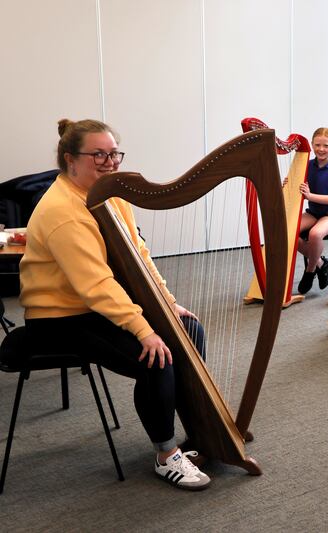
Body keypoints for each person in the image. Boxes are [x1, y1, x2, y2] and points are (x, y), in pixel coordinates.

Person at [19, 119, 211, 490]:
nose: (109, 162)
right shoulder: (62, 210)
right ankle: (166, 455)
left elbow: (139, 255)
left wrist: (169, 304)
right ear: (70, 159)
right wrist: (144, 329)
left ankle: (199, 431)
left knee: (189, 330)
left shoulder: (111, 194)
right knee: (156, 356)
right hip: (58, 316)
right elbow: (97, 285)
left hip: (94, 306)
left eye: (114, 153)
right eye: (98, 155)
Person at [295, 127, 328, 295]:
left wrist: (309, 196)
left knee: (315, 234)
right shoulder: (307, 165)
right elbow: (301, 191)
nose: (321, 149)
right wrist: (291, 184)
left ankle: (309, 271)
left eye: (326, 145)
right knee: (288, 232)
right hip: (314, 211)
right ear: (311, 145)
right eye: (317, 145)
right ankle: (321, 263)